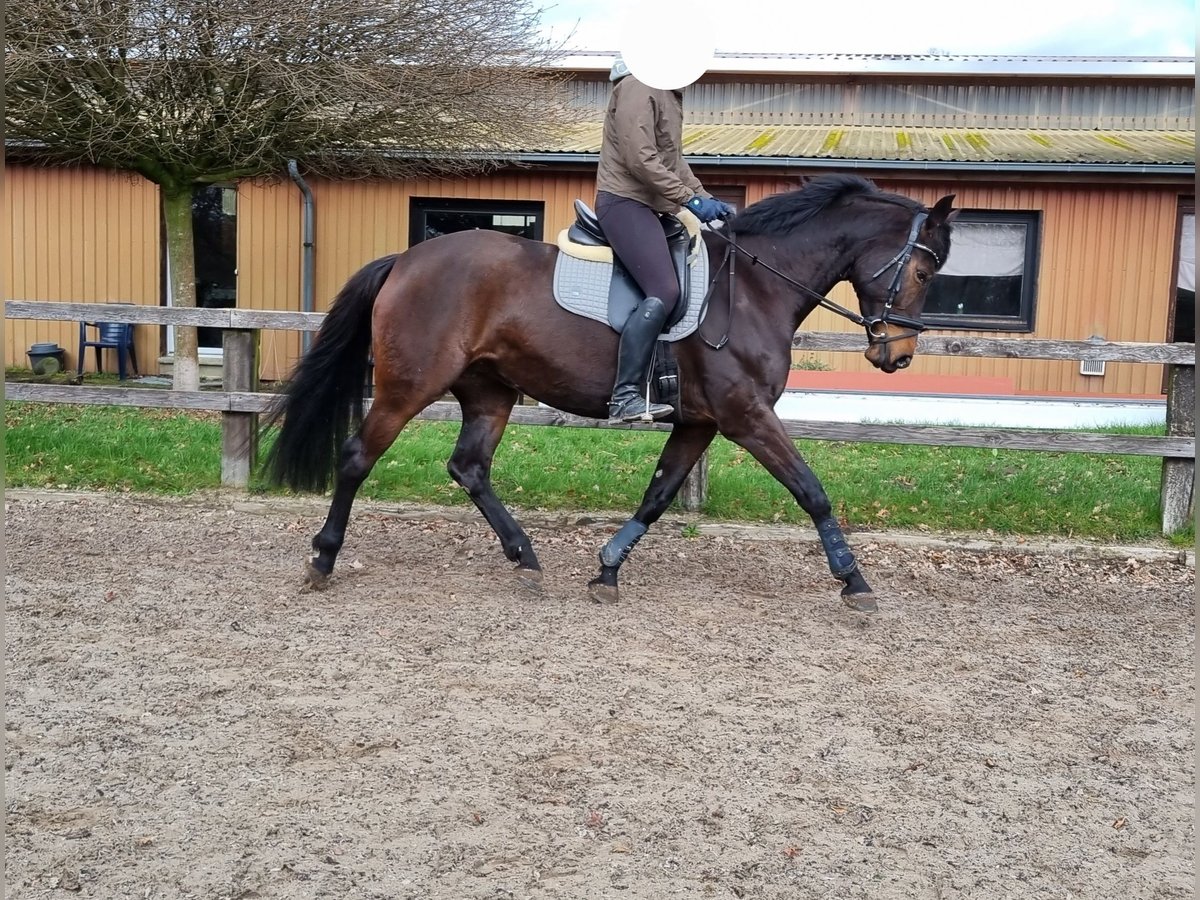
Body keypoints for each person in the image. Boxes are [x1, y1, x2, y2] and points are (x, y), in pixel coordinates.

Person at [595, 57, 736, 422]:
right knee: (665, 289)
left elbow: (673, 162)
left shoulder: (666, 92)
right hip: (625, 201)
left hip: (651, 205)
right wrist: (689, 199)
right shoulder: (639, 85)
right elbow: (639, 157)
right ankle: (624, 396)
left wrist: (705, 197)